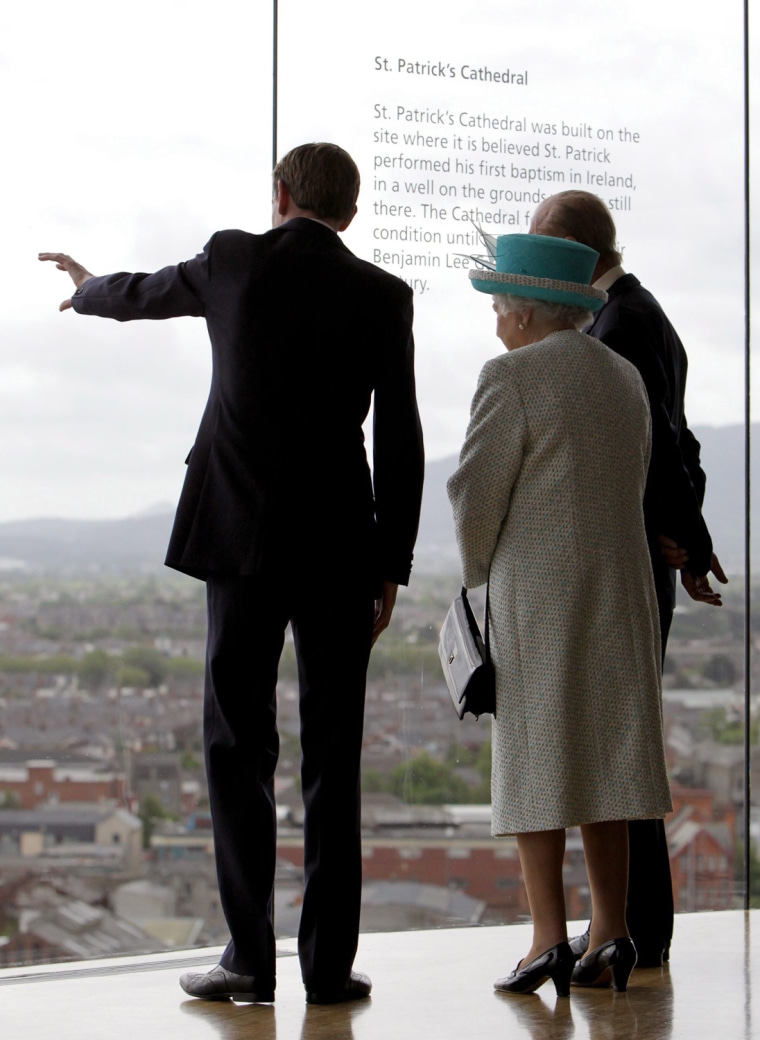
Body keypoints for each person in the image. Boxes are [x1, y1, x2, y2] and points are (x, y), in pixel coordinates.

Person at [39, 142, 424, 1004]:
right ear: (351, 214)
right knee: (335, 758)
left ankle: (249, 958)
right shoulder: (383, 296)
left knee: (234, 747)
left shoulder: (233, 258)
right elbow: (400, 438)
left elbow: (143, 293)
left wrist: (86, 287)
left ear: (279, 196)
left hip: (239, 542)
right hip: (338, 551)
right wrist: (390, 561)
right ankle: (327, 971)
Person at [447, 233, 673, 996]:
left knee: (536, 757)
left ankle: (547, 937)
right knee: (609, 756)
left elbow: (475, 495)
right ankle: (611, 930)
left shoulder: (510, 376)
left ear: (524, 309)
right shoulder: (624, 376)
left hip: (540, 591)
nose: (495, 320)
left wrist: (477, 574)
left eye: (500, 305)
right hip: (622, 586)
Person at [529, 190, 726, 967]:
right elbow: (683, 445)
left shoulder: (622, 324)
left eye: (542, 242)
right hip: (645, 553)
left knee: (618, 745)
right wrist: (688, 534)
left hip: (625, 560)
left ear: (571, 253)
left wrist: (678, 533)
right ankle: (635, 927)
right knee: (625, 742)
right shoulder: (645, 314)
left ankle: (636, 927)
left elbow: (658, 450)